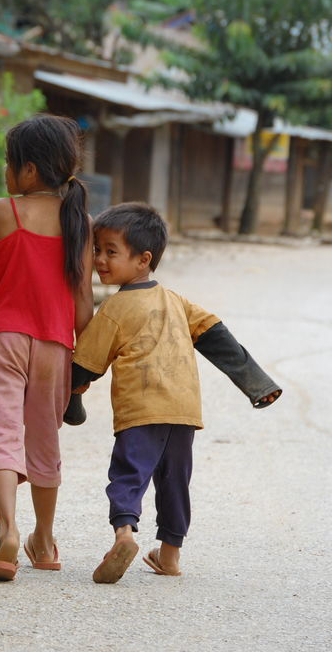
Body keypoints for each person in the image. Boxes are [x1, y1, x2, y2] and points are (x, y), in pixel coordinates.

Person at [71, 202, 282, 583]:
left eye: (110, 251)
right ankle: (169, 556)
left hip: (140, 410)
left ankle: (123, 534)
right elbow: (220, 339)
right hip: (183, 410)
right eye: (97, 250)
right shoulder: (178, 301)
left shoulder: (115, 308)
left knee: (129, 473)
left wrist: (70, 392)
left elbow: (85, 363)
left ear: (143, 259)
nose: (100, 259)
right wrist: (257, 383)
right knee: (174, 482)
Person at [0, 115, 94, 581]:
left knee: (1, 433)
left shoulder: (4, 211)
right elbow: (83, 303)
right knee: (44, 437)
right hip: (55, 346)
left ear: (31, 171)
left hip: (3, 338)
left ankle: (8, 533)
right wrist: (87, 361)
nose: (4, 171)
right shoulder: (80, 220)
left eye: (8, 162)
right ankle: (44, 537)